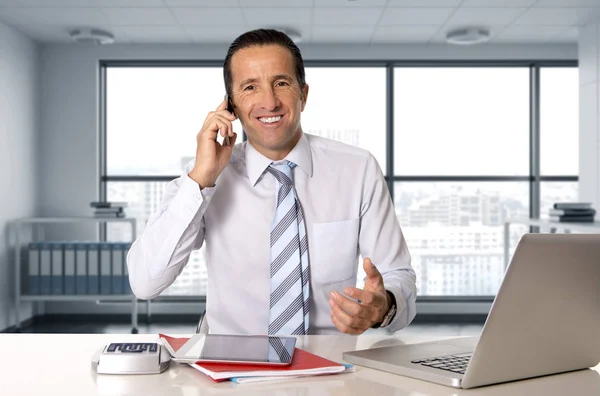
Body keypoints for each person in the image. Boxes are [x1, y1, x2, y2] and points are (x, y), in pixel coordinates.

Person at [127, 29, 417, 335]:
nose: (269, 101)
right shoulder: (204, 175)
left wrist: (382, 306)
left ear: (303, 95)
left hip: (329, 363)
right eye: (250, 87)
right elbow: (145, 282)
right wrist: (201, 179)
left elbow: (398, 274)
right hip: (229, 362)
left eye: (281, 83)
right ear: (231, 107)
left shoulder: (358, 169)